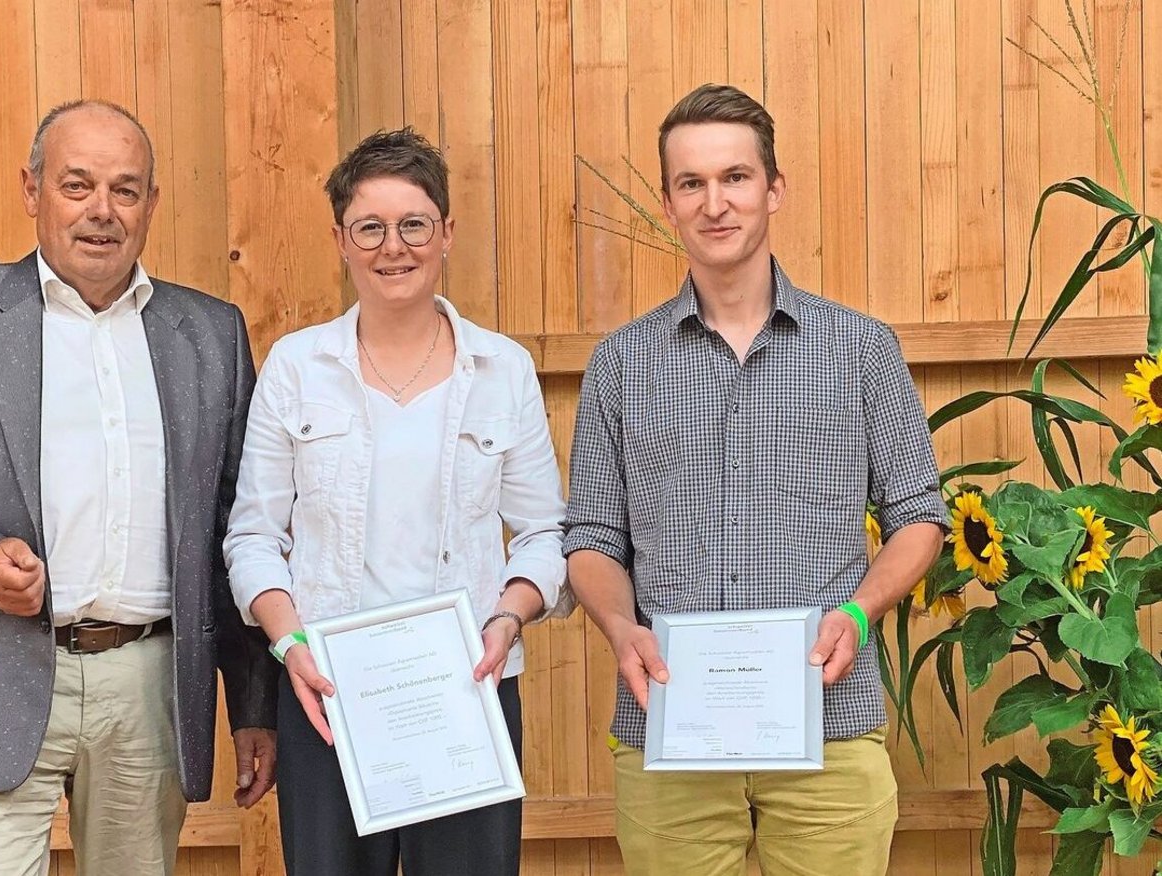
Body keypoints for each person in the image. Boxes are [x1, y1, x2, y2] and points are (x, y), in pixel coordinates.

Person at [0, 100, 278, 875]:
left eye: (125, 189)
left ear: (151, 204)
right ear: (32, 190)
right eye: (77, 185)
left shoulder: (210, 334)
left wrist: (253, 704)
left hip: (150, 683)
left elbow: (231, 534)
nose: (102, 210)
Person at [563, 83, 948, 875]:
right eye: (691, 183)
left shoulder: (862, 350)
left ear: (774, 189)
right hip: (669, 731)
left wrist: (859, 612)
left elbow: (919, 516)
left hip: (829, 730)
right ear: (668, 204)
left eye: (735, 177)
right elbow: (593, 538)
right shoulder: (620, 364)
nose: (715, 203)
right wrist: (620, 627)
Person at [224, 127, 569, 876]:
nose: (394, 247)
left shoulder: (503, 369)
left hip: (468, 694)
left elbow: (544, 533)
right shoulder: (295, 367)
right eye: (369, 228)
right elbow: (252, 537)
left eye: (414, 224)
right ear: (341, 242)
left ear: (447, 232)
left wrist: (508, 618)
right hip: (327, 695)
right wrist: (290, 647)